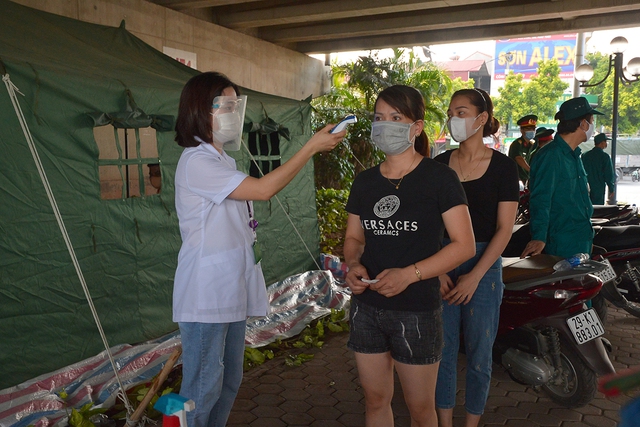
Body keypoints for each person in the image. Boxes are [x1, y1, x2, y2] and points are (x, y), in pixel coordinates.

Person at [172, 71, 345, 427]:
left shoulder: (222, 161)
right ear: (200, 110)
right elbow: (265, 189)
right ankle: (177, 423)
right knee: (199, 389)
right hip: (206, 295)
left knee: (228, 380)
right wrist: (309, 147)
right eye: (226, 106)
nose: (234, 114)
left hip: (228, 289)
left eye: (236, 106)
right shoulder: (197, 162)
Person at [344, 85, 476, 427]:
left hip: (416, 309)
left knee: (420, 409)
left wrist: (409, 274)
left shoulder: (439, 178)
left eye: (395, 118)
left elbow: (464, 245)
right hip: (367, 308)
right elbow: (354, 237)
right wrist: (354, 263)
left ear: (416, 127)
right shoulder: (365, 182)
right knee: (375, 400)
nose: (384, 124)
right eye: (379, 117)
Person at [434, 88, 519, 427]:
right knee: (442, 352)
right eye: (452, 112)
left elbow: (504, 229)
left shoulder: (503, 167)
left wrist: (475, 276)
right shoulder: (438, 165)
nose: (455, 118)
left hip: (485, 262)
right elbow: (428, 224)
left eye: (462, 111)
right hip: (443, 259)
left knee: (481, 355)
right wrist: (437, 270)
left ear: (482, 119)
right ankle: (444, 423)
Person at [521, 97, 603, 258]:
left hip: (580, 240)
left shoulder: (574, 155)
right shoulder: (551, 156)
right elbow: (541, 199)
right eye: (591, 120)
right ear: (583, 124)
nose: (592, 126)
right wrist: (539, 237)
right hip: (561, 243)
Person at [582, 133, 615, 205]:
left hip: (584, 186)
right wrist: (611, 188)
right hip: (599, 188)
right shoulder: (604, 157)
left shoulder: (585, 155)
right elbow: (608, 174)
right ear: (602, 143)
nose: (606, 144)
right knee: (598, 209)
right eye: (605, 142)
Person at [508, 114, 537, 185]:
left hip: (526, 179)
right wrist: (531, 170)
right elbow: (519, 158)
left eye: (533, 129)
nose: (532, 131)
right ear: (521, 130)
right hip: (516, 179)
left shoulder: (531, 145)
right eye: (528, 129)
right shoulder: (517, 144)